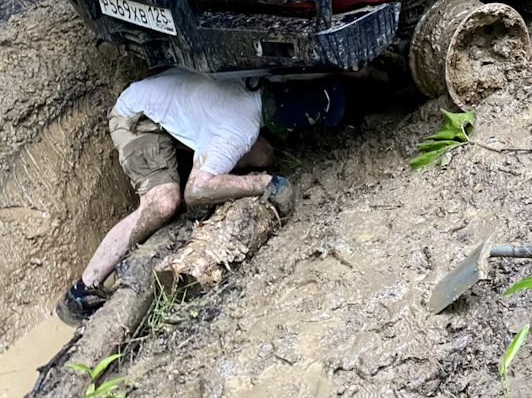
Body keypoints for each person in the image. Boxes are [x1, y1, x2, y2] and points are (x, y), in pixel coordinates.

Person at [56, 68, 345, 325]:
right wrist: (263, 183)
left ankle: (196, 154)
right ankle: (82, 291)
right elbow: (196, 192)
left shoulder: (266, 77)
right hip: (138, 116)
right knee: (164, 203)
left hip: (172, 98)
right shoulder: (238, 130)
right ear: (291, 127)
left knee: (262, 153)